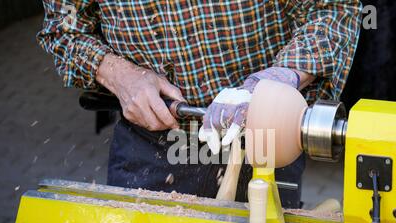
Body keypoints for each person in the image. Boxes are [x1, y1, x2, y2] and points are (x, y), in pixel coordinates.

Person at [37, 0, 362, 208]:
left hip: (266, 141)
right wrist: (121, 75)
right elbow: (63, 30)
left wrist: (285, 74)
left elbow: (333, 8)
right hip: (151, 146)